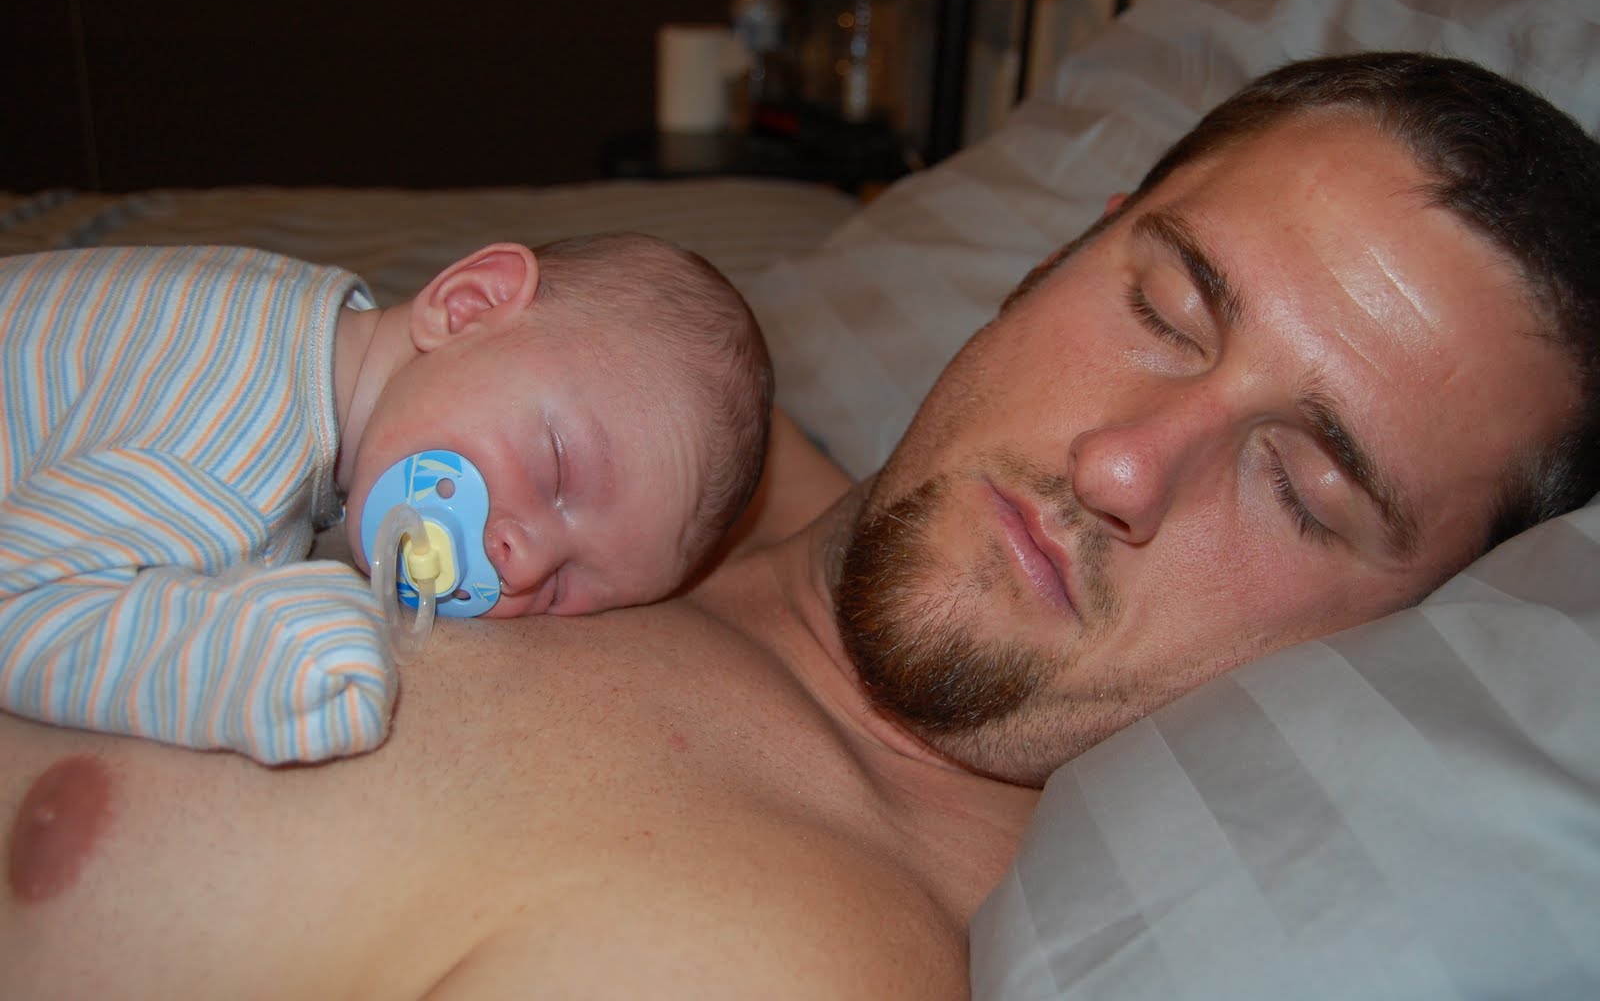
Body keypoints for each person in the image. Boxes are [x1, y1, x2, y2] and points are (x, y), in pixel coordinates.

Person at [4, 53, 1598, 998]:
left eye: (1304, 490)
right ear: (1063, 255)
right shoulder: (690, 418)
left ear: (1399, 630)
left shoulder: (782, 947)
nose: (1128, 464)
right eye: (1167, 310)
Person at [0, 232, 773, 766]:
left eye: (568, 588)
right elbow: (22, 602)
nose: (526, 559)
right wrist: (266, 660)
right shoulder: (238, 438)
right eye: (557, 471)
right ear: (466, 305)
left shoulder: (293, 324)